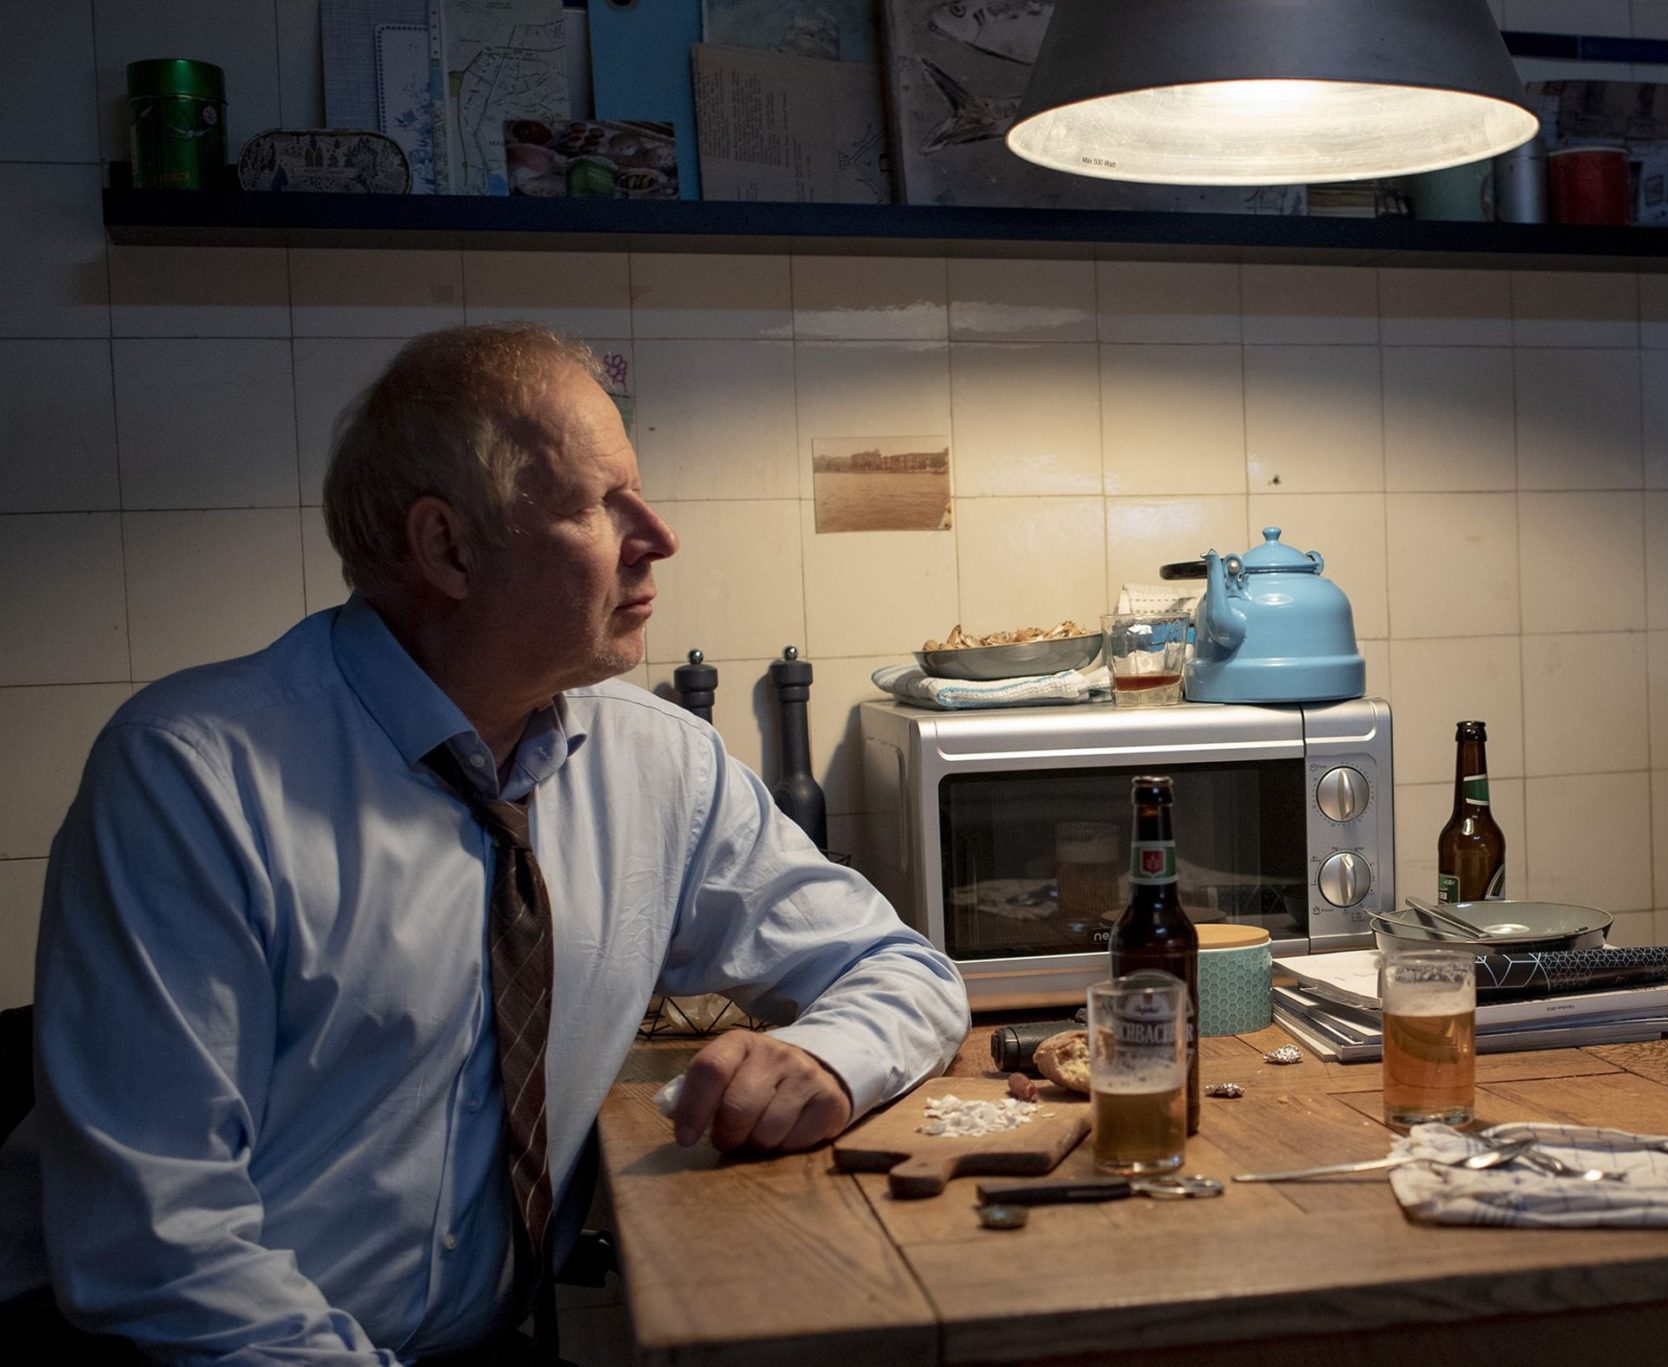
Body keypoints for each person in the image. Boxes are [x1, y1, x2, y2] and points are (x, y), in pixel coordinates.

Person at [0, 324, 971, 1363]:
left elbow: (901, 969)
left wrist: (825, 1057)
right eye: (600, 504)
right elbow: (157, 1246)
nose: (657, 536)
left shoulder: (660, 763)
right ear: (448, 547)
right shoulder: (192, 777)